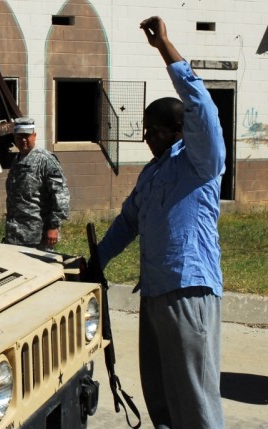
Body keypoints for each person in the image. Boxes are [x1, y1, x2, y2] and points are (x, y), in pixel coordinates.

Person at [95, 17, 226, 428]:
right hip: (154, 294)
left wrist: (164, 48)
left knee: (194, 396)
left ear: (178, 129)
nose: (149, 137)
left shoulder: (200, 161)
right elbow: (126, 223)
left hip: (189, 290)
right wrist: (94, 261)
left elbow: (202, 106)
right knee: (162, 394)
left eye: (156, 130)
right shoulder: (151, 174)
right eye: (146, 130)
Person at [5, 117, 70, 249]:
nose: (23, 140)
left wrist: (54, 226)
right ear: (14, 137)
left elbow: (61, 195)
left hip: (37, 237)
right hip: (15, 236)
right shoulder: (17, 160)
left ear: (34, 136)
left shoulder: (45, 160)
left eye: (27, 136)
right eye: (19, 136)